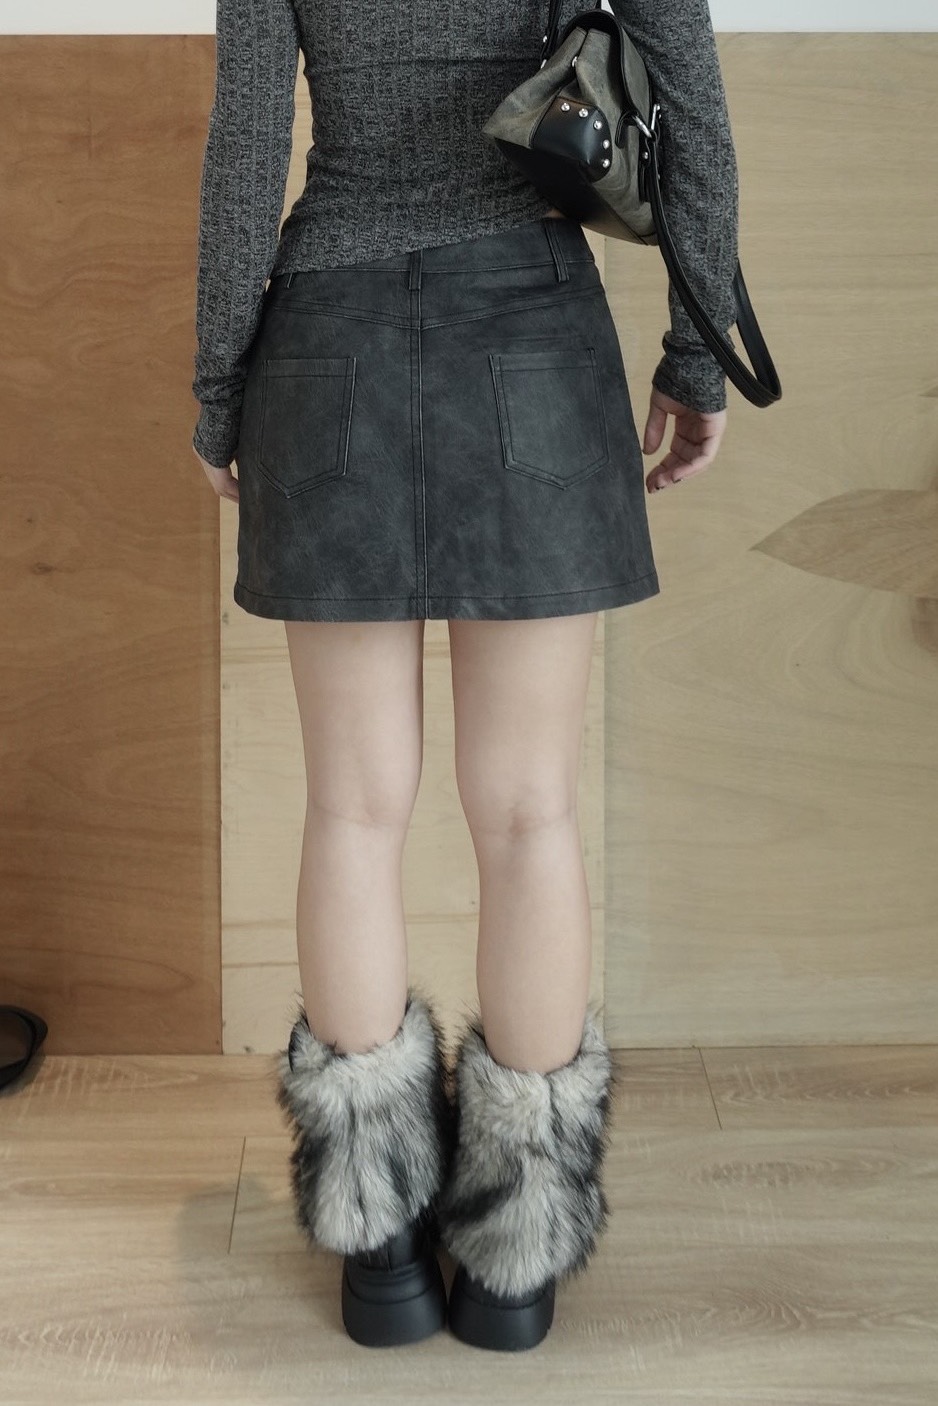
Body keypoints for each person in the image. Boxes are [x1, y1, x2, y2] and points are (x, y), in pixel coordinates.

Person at [191, 0, 736, 1353]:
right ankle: (513, 1263)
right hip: (531, 334)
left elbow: (247, 146)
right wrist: (695, 356)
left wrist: (218, 388)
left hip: (326, 339)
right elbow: (693, 112)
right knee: (529, 813)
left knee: (352, 809)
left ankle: (377, 1247)